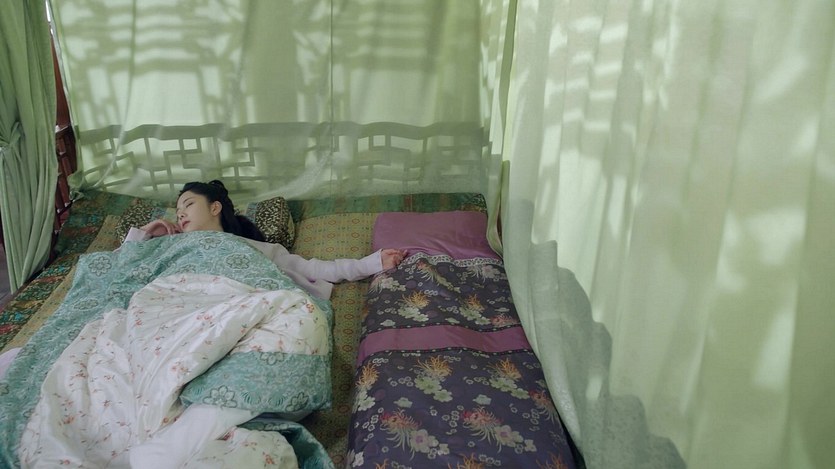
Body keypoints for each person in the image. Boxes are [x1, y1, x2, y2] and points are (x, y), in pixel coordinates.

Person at [124, 180, 407, 300]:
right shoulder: (171, 247)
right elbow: (121, 271)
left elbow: (314, 268)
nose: (181, 214)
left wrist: (371, 263)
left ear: (215, 207)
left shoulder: (253, 249)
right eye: (178, 211)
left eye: (188, 204)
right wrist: (147, 231)